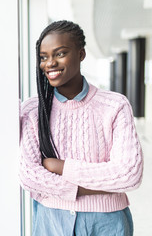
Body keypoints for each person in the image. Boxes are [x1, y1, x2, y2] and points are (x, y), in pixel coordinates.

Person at [19, 20, 143, 235]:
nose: (50, 63)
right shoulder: (32, 109)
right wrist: (90, 188)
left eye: (60, 53)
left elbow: (129, 173)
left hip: (107, 224)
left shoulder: (115, 105)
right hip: (51, 222)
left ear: (81, 54)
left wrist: (60, 167)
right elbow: (29, 175)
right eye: (44, 57)